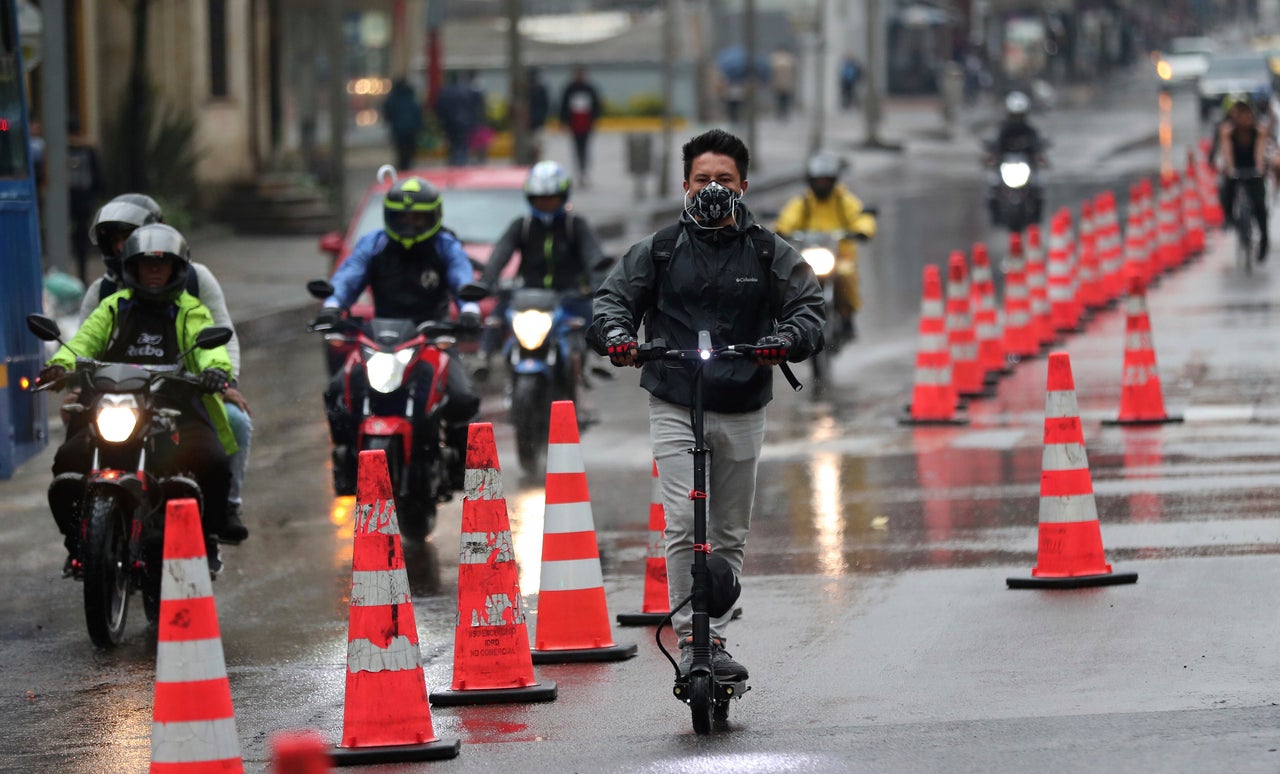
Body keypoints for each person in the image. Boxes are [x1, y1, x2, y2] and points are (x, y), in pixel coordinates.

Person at [585, 128, 824, 680]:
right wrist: (618, 337)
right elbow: (612, 300)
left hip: (743, 403)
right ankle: (696, 637)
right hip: (674, 399)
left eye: (723, 179)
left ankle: (716, 617)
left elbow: (809, 306)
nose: (712, 188)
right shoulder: (659, 250)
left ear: (743, 184)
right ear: (684, 185)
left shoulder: (768, 250)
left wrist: (787, 338)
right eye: (701, 179)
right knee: (680, 523)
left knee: (728, 532)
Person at [37, 224, 239, 573]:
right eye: (147, 265)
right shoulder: (113, 307)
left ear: (177, 269)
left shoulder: (190, 310)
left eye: (162, 265)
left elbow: (211, 349)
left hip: (174, 411)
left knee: (215, 462)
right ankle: (79, 545)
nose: (155, 271)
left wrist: (216, 370)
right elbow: (82, 344)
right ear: (132, 268)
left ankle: (205, 540)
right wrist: (60, 366)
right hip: (113, 407)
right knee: (67, 465)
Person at [78, 193, 252, 543]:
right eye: (115, 240)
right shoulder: (105, 294)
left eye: (128, 237)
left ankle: (225, 508)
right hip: (117, 397)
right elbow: (82, 342)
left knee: (235, 422)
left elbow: (220, 333)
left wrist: (223, 378)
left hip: (184, 389)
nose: (121, 246)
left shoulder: (194, 282)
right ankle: (82, 534)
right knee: (71, 450)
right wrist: (67, 375)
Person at [313, 177, 483, 494]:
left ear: (432, 217)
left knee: (462, 398)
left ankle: (462, 470)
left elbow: (462, 277)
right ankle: (347, 462)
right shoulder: (374, 244)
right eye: (403, 217)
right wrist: (333, 305)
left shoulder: (445, 246)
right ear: (390, 217)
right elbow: (349, 276)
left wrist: (470, 309)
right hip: (381, 339)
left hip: (434, 338)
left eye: (418, 217)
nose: (410, 223)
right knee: (337, 393)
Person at [475, 161, 605, 383]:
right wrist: (487, 280)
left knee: (594, 314)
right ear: (530, 198)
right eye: (540, 199)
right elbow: (500, 253)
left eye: (551, 198)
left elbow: (593, 255)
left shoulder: (575, 225)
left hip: (568, 294)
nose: (546, 204)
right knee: (497, 314)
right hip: (527, 294)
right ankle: (483, 357)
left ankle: (595, 361)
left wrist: (598, 281)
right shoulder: (522, 226)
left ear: (563, 196)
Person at [774, 151, 877, 340]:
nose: (822, 184)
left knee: (847, 275)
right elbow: (787, 219)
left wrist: (862, 230)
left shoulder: (843, 200)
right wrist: (780, 230)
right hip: (809, 257)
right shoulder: (803, 203)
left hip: (840, 256)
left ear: (833, 181)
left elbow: (860, 216)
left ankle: (847, 318)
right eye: (818, 180)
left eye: (826, 180)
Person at [1218, 95, 1270, 262]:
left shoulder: (1259, 131)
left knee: (1260, 204)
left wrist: (1260, 167)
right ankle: (1228, 217)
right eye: (1241, 116)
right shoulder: (1228, 131)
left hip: (1253, 169)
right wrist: (1230, 168)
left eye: (1248, 115)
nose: (1245, 119)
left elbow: (1259, 152)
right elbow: (1227, 152)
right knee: (1226, 188)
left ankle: (1264, 240)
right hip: (1236, 169)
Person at [67, 117, 105, 284]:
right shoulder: (88, 149)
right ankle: (81, 275)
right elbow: (98, 177)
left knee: (71, 239)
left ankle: (69, 273)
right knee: (81, 240)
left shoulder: (59, 149)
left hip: (67, 201)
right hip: (83, 200)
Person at [559, 66, 603, 187]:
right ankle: (578, 172)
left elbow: (596, 106)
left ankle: (584, 172)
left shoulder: (590, 89)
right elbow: (563, 106)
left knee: (585, 149)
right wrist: (563, 122)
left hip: (586, 125)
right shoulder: (569, 89)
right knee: (576, 149)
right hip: (574, 125)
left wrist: (594, 120)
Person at [435, 72, 480, 167]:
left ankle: (454, 164)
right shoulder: (467, 90)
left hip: (450, 123)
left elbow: (440, 108)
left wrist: (442, 121)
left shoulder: (445, 92)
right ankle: (462, 164)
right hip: (464, 123)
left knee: (453, 144)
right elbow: (474, 106)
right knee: (463, 145)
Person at [382, 78, 424, 171]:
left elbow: (387, 112)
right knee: (409, 152)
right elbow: (418, 113)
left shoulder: (393, 99)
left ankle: (403, 168)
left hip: (398, 130)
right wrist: (419, 127)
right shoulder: (411, 98)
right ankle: (406, 168)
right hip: (411, 130)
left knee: (401, 152)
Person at [528, 67, 551, 161]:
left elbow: (545, 106)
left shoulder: (541, 90)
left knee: (538, 145)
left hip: (539, 122)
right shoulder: (526, 90)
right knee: (531, 147)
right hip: (529, 123)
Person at [769, 48, 797, 122]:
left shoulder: (776, 60)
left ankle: (781, 113)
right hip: (787, 85)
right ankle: (784, 113)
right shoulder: (790, 60)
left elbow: (773, 74)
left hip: (779, 85)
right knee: (785, 101)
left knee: (780, 100)